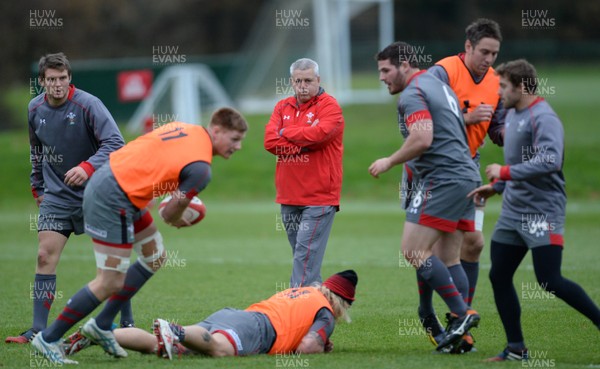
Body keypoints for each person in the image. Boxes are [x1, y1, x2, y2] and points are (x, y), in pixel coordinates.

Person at [31, 109, 248, 364]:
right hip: (113, 195)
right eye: (234, 139)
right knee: (109, 280)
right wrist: (183, 218)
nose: (239, 146)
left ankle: (101, 325)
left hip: (121, 186)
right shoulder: (201, 169)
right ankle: (48, 338)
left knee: (155, 256)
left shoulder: (183, 128)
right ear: (217, 131)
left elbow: (150, 153)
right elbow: (168, 214)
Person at [467, 59, 600, 361]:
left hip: (542, 212)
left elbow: (550, 160)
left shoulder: (543, 116)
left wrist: (504, 172)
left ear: (522, 86)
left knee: (549, 280)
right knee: (499, 276)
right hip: (513, 213)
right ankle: (516, 348)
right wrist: (497, 188)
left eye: (502, 86)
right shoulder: (513, 114)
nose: (498, 92)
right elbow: (518, 163)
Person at [5, 53, 128, 344]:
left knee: (112, 263)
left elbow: (115, 143)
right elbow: (37, 152)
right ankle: (37, 329)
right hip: (56, 197)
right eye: (51, 79)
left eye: (62, 78)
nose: (57, 84)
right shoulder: (34, 108)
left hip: (97, 193)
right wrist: (38, 188)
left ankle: (127, 322)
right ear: (41, 81)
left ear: (69, 78)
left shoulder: (89, 105)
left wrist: (87, 167)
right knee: (44, 256)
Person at [370, 41, 481, 352]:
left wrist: (389, 161)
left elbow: (422, 138)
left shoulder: (412, 93)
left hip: (444, 178)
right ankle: (462, 337)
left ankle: (462, 315)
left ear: (405, 64)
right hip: (466, 175)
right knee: (448, 257)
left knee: (413, 251)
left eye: (385, 70)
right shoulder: (437, 83)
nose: (382, 77)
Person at [417, 18, 505, 351]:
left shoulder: (496, 80)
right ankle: (445, 317)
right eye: (484, 51)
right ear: (468, 46)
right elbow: (418, 117)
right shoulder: (443, 72)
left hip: (468, 169)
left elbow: (496, 125)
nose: (489, 59)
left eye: (495, 53)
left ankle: (455, 320)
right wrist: (464, 118)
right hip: (437, 170)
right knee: (435, 249)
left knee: (471, 245)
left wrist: (512, 132)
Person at [66, 270, 358, 359]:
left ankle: (99, 332)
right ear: (343, 302)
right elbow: (307, 345)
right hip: (257, 329)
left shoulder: (305, 292)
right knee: (219, 349)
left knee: (164, 349)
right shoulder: (326, 312)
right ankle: (176, 330)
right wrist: (320, 345)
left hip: (236, 316)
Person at [264, 58, 344, 287]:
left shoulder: (330, 106)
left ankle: (294, 306)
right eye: (298, 81)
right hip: (289, 194)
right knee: (305, 259)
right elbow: (270, 142)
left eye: (308, 80)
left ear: (318, 80)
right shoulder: (282, 106)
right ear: (292, 81)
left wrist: (286, 131)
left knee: (304, 255)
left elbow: (321, 135)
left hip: (319, 196)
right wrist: (304, 141)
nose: (303, 86)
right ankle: (321, 310)